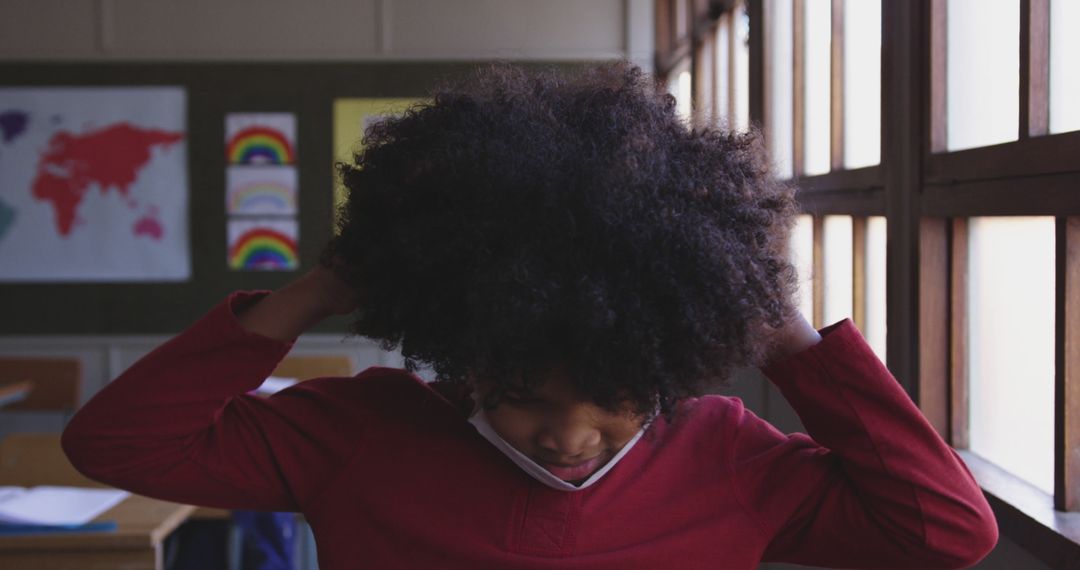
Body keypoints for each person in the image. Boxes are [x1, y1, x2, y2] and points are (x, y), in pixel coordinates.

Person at [62, 62, 997, 569]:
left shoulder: (726, 457)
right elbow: (119, 447)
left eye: (616, 397)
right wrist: (314, 291)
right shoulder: (360, 435)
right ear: (462, 355)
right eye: (520, 396)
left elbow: (949, 533)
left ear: (673, 361)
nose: (568, 435)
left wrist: (788, 335)